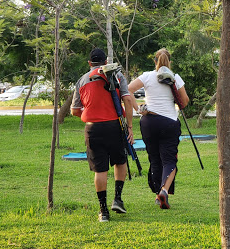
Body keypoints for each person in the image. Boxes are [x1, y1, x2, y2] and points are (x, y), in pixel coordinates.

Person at [70, 48, 134, 222]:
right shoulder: (117, 75)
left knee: (100, 169)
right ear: (106, 62)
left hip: (93, 129)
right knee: (120, 161)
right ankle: (118, 199)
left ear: (90, 63)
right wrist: (129, 127)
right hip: (116, 126)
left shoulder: (82, 80)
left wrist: (90, 112)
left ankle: (103, 211)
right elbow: (127, 99)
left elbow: (74, 110)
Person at [128, 48, 189, 209]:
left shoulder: (147, 76)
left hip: (148, 122)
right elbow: (185, 101)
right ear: (170, 62)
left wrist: (138, 109)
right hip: (169, 122)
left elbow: (127, 90)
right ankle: (164, 191)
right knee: (169, 160)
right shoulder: (175, 78)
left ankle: (157, 194)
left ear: (155, 61)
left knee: (154, 158)